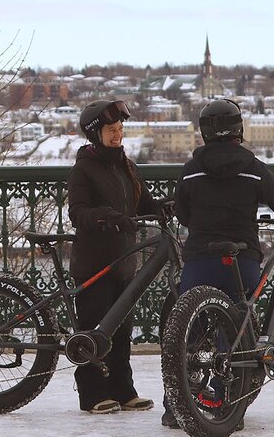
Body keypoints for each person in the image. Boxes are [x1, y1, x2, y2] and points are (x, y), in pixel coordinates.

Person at [161, 98, 274, 428]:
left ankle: (175, 405)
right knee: (238, 319)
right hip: (241, 260)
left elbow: (182, 213)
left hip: (198, 262)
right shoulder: (252, 166)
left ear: (204, 132)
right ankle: (227, 400)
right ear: (239, 129)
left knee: (189, 326)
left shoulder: (191, 170)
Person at [68, 99, 159, 415]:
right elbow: (77, 213)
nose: (117, 135)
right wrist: (105, 216)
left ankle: (123, 391)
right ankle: (92, 394)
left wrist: (165, 208)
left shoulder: (127, 167)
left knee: (121, 334)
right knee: (94, 331)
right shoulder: (84, 168)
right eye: (111, 130)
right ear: (96, 134)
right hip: (94, 263)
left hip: (123, 262)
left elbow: (143, 204)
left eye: (120, 129)